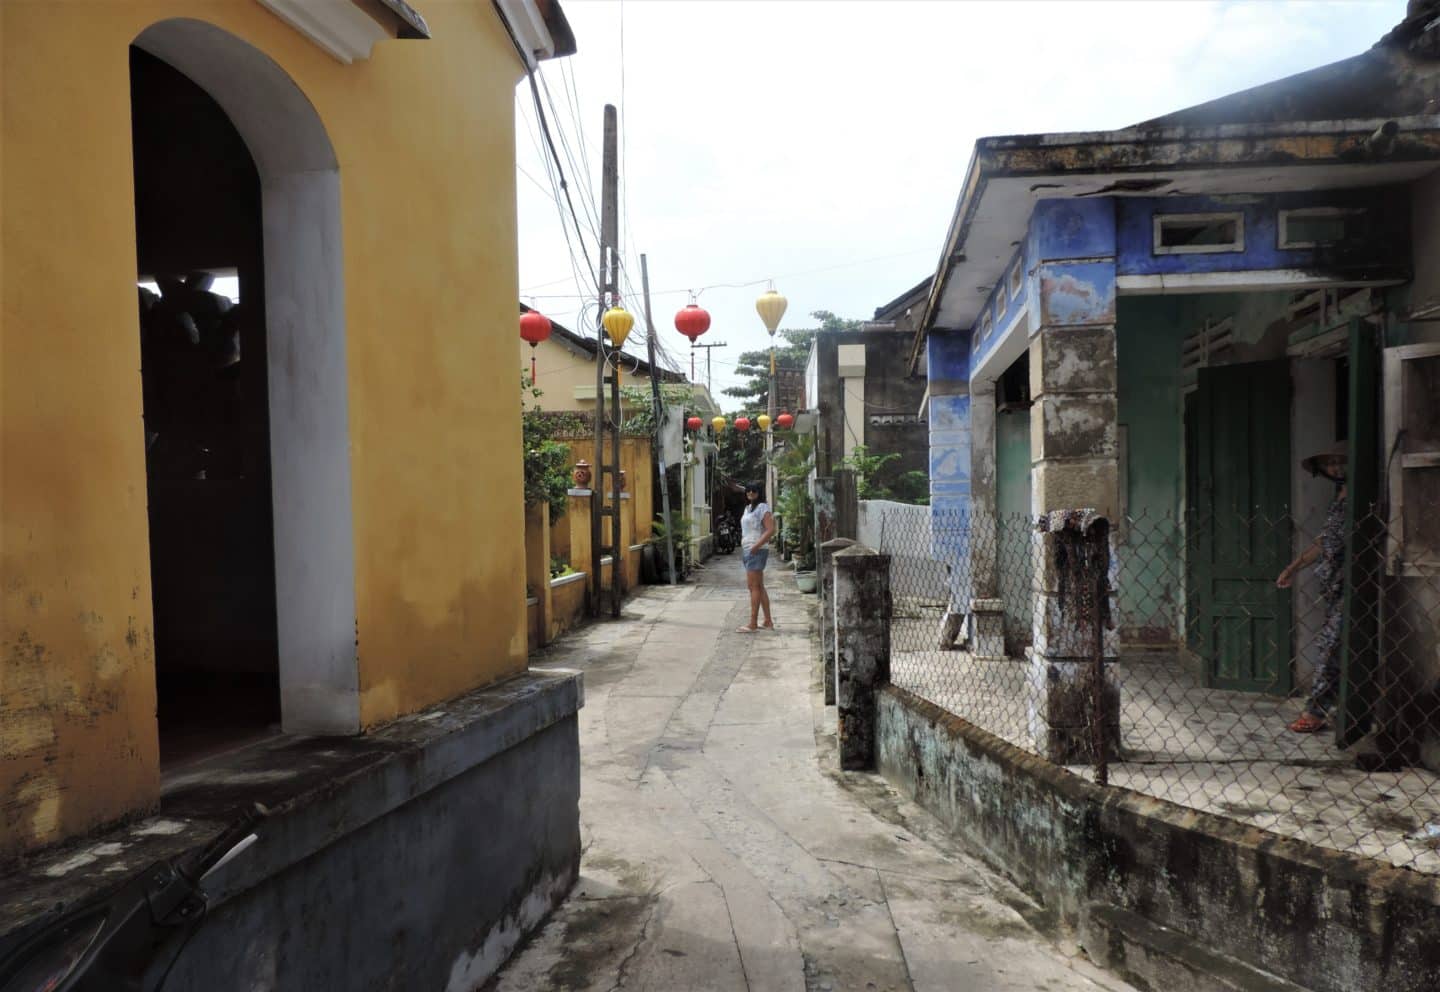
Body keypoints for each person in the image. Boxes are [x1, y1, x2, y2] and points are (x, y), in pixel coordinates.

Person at [1276, 442, 1348, 733]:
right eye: (1329, 464)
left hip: (1352, 583)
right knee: (1333, 644)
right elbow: (1324, 542)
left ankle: (1316, 710)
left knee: (1332, 646)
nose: (1334, 468)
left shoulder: (1361, 496)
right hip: (1332, 585)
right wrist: (1293, 567)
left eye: (1339, 462)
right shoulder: (1339, 497)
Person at [737, 482, 776, 632]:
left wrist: (756, 546)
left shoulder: (762, 508)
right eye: (748, 490)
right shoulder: (748, 508)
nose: (751, 493)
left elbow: (770, 529)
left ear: (759, 492)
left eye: (754, 490)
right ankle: (767, 621)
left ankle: (753, 623)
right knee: (758, 586)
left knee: (753, 587)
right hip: (749, 549)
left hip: (756, 550)